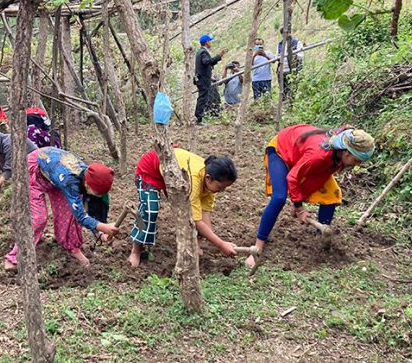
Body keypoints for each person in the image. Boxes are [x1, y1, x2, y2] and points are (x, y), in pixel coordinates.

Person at [245, 125, 376, 267]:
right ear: (346, 152)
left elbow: (312, 178)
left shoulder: (337, 153)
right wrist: (300, 209)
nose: (358, 164)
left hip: (302, 154)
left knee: (332, 194)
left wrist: (297, 203)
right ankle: (257, 247)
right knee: (279, 198)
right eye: (357, 160)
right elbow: (292, 178)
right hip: (282, 149)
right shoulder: (318, 156)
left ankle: (321, 237)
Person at [4, 147, 120, 270]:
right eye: (96, 193)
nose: (97, 196)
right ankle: (13, 258)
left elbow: (90, 209)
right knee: (39, 219)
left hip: (55, 175)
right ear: (87, 184)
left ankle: (71, 247)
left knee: (68, 212)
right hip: (35, 170)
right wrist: (104, 227)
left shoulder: (89, 176)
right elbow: (80, 216)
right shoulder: (70, 181)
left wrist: (100, 233)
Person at [128, 148, 238, 268]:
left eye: (224, 188)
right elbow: (197, 221)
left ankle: (193, 244)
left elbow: (205, 213)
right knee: (150, 210)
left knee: (190, 215)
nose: (221, 191)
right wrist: (221, 244)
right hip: (150, 168)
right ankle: (136, 249)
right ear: (208, 178)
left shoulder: (210, 181)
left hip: (172, 174)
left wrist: (201, 243)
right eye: (220, 187)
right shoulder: (193, 182)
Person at [194, 34, 226, 125]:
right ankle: (198, 119)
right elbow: (206, 62)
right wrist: (218, 56)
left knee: (202, 98)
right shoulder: (203, 52)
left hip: (201, 79)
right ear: (207, 42)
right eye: (210, 41)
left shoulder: (200, 51)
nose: (210, 43)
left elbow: (207, 63)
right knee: (202, 99)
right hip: (203, 80)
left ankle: (198, 118)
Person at [277, 30, 305, 99]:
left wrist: (292, 54)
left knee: (294, 87)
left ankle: (293, 100)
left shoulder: (296, 42)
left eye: (286, 33)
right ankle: (285, 102)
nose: (285, 35)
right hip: (283, 70)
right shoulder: (280, 44)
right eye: (283, 33)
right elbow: (277, 56)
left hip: (294, 68)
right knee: (284, 88)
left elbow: (301, 55)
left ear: (289, 33)